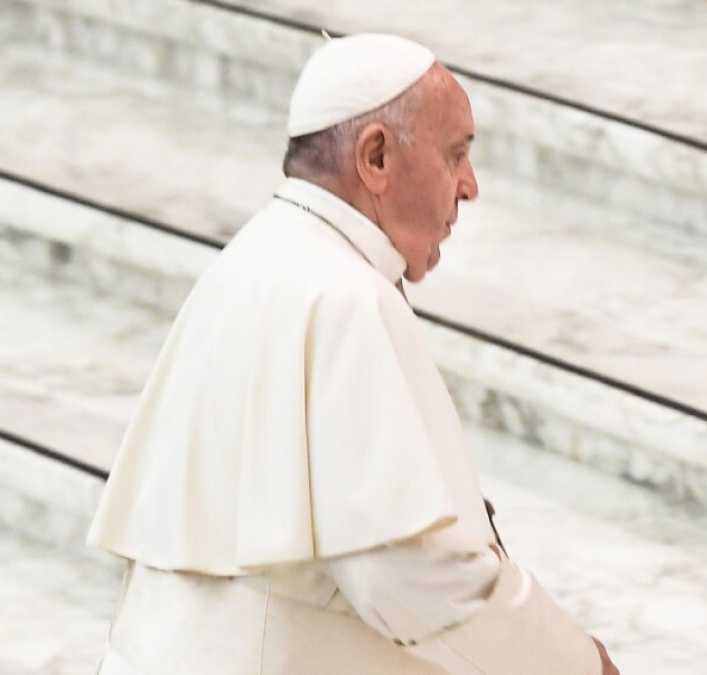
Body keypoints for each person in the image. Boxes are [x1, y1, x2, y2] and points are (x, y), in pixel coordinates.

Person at [87, 32, 620, 675]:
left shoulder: (257, 258)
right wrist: (572, 664)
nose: (470, 187)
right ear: (375, 157)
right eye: (456, 155)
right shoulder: (342, 296)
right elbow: (409, 573)